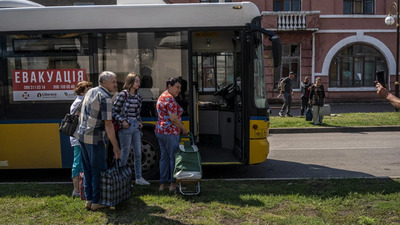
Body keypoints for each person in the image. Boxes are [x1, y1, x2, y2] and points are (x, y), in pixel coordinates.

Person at [75, 71, 121, 211]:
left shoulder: (90, 91)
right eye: (113, 81)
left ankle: (88, 200)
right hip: (95, 139)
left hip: (82, 136)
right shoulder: (106, 97)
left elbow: (77, 111)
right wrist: (116, 147)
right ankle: (96, 202)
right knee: (98, 170)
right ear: (105, 82)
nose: (116, 84)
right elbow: (108, 125)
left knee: (87, 169)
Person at [112, 73, 150, 186]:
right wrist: (122, 121)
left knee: (138, 153)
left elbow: (137, 113)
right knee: (125, 153)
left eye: (139, 81)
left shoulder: (138, 96)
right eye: (136, 81)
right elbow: (114, 111)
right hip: (126, 126)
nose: (139, 83)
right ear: (130, 82)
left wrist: (139, 122)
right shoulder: (123, 95)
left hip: (135, 126)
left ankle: (138, 177)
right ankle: (121, 178)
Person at [155, 77, 188, 192]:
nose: (179, 90)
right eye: (177, 87)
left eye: (180, 88)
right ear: (169, 86)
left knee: (164, 157)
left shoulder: (162, 96)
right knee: (174, 158)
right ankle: (173, 185)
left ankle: (162, 184)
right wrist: (183, 128)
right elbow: (173, 119)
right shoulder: (170, 99)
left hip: (160, 131)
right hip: (170, 132)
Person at [70, 81, 93, 198]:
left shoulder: (82, 101)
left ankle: (81, 188)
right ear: (82, 91)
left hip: (81, 137)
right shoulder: (79, 102)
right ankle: (76, 190)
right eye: (88, 90)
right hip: (78, 137)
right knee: (78, 163)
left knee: (82, 163)